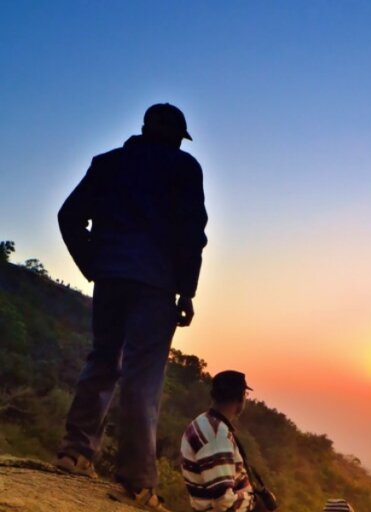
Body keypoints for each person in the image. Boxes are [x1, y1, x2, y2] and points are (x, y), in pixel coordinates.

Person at [55, 103, 208, 510]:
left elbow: (68, 216)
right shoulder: (184, 168)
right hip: (156, 284)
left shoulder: (108, 163)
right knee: (143, 378)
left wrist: (94, 265)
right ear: (176, 135)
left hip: (111, 277)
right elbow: (192, 234)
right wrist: (187, 291)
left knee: (102, 360)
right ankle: (137, 484)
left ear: (144, 128)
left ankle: (74, 453)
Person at [181, 371, 258, 512]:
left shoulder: (203, 421)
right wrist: (252, 502)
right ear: (240, 398)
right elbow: (222, 501)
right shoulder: (217, 438)